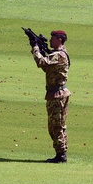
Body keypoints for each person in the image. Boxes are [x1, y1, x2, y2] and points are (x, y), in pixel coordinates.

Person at [31, 30, 70, 163]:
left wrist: (35, 47)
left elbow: (41, 63)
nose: (51, 40)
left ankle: (61, 155)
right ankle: (60, 153)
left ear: (59, 39)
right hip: (54, 94)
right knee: (54, 126)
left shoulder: (59, 55)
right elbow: (47, 67)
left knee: (57, 125)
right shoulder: (57, 54)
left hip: (57, 95)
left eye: (53, 38)